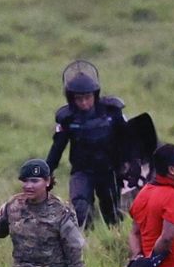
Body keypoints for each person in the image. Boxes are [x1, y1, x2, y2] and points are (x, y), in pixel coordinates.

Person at [46, 60, 130, 228]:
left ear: (95, 95)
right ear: (71, 98)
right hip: (82, 172)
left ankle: (115, 241)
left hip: (109, 171)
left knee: (112, 213)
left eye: (87, 98)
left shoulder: (112, 113)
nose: (84, 103)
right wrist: (46, 172)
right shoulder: (67, 119)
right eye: (79, 99)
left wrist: (130, 163)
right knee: (80, 208)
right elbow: (57, 148)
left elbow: (128, 139)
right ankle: (86, 243)